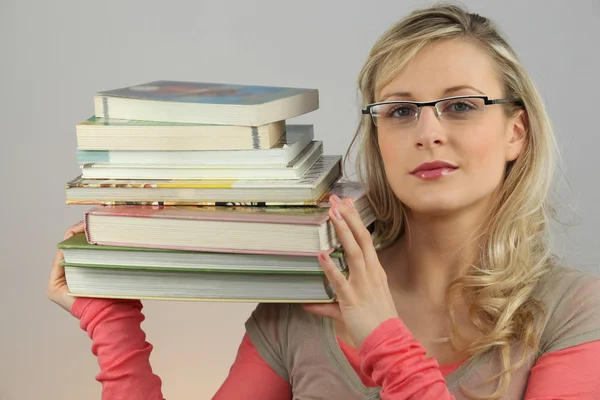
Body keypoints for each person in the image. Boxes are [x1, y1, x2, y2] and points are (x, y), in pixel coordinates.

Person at [48, 4, 600, 399]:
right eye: (401, 110)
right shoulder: (303, 300)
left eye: (460, 105)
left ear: (516, 133)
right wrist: (113, 329)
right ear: (379, 138)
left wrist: (383, 338)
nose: (428, 132)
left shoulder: (572, 312)